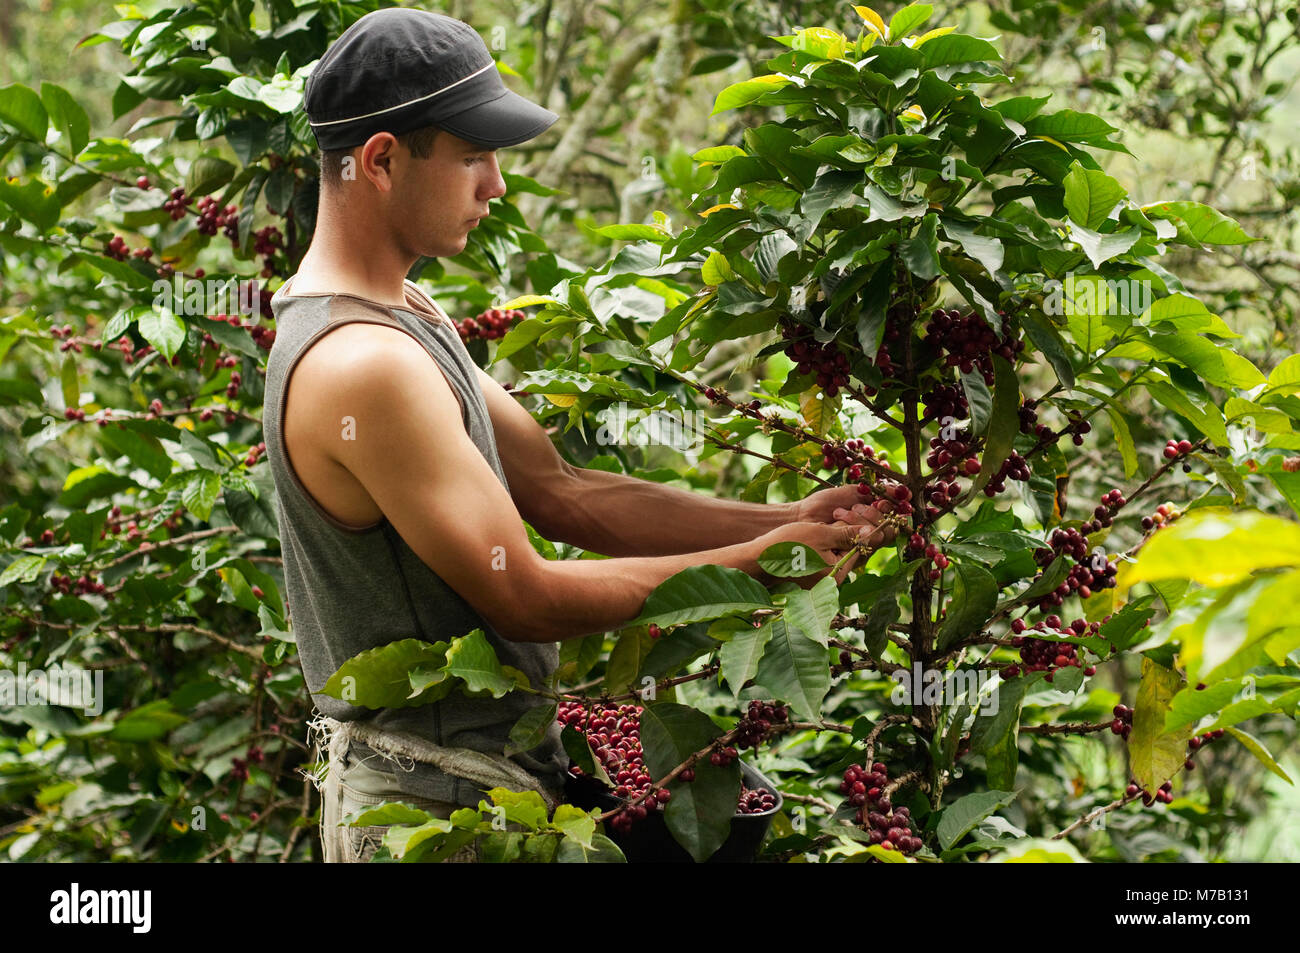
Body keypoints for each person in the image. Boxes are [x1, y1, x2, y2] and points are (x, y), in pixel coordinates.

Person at [262, 7, 896, 863]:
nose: (497, 185)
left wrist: (781, 522)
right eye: (473, 157)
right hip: (427, 812)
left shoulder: (403, 312)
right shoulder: (362, 366)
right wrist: (765, 564)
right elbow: (525, 593)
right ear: (380, 160)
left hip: (490, 787)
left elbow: (567, 493)